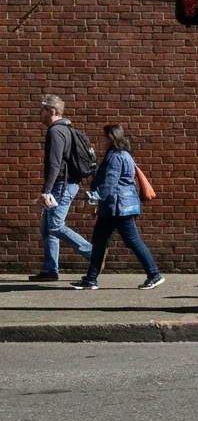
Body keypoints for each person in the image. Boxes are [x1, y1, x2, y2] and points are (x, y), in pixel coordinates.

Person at [72, 125, 163, 290]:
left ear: (110, 138)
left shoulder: (115, 157)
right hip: (113, 208)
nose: (101, 140)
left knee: (133, 241)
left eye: (104, 137)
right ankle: (91, 279)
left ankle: (154, 274)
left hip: (119, 208)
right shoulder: (123, 155)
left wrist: (95, 197)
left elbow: (110, 183)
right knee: (99, 242)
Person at [34, 95, 92, 281]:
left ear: (51, 111)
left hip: (62, 184)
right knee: (47, 226)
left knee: (55, 225)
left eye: (42, 109)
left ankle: (93, 253)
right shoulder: (66, 128)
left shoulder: (56, 131)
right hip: (65, 183)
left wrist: (47, 190)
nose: (40, 113)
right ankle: (50, 269)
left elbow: (54, 163)